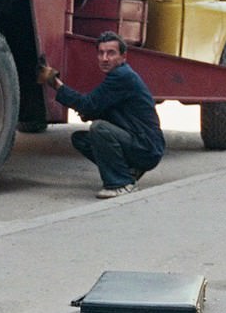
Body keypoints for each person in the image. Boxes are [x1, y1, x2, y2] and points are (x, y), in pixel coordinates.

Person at [37, 31, 165, 198]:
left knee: (99, 129)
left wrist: (55, 83)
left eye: (111, 53)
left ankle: (122, 183)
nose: (105, 58)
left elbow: (88, 105)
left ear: (123, 56)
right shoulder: (119, 75)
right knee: (82, 140)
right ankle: (128, 171)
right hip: (141, 142)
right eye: (101, 53)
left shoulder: (122, 76)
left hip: (147, 147)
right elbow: (95, 107)